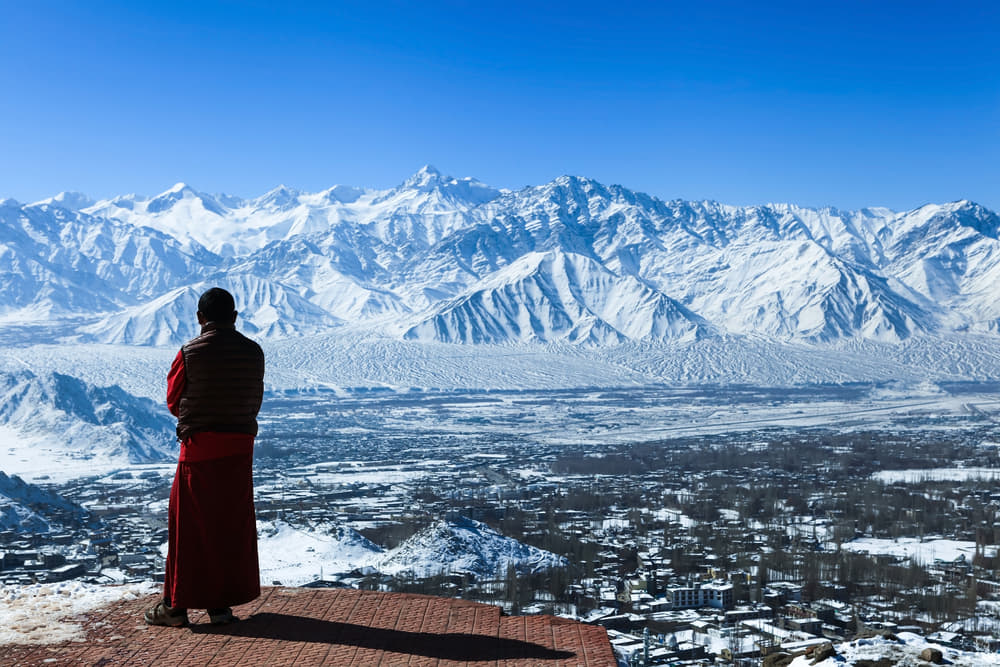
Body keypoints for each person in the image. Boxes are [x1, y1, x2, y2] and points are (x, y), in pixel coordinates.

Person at [145, 287, 265, 627]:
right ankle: (220, 606)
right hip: (240, 453)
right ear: (235, 318)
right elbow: (253, 396)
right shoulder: (253, 352)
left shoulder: (189, 353)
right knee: (228, 525)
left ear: (200, 319)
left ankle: (175, 606)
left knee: (188, 528)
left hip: (198, 452)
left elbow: (173, 400)